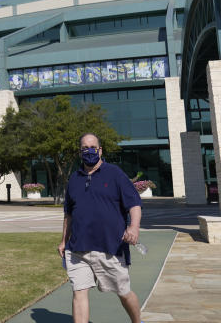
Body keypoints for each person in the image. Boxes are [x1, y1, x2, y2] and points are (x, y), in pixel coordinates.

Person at [59, 133, 143, 323]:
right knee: (79, 293)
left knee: (124, 292)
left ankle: (138, 321)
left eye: (93, 147)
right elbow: (69, 214)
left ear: (100, 150)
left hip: (109, 248)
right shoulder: (74, 178)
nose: (89, 151)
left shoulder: (114, 174)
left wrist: (134, 227)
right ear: (80, 152)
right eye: (84, 148)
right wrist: (64, 240)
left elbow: (134, 204)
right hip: (78, 249)